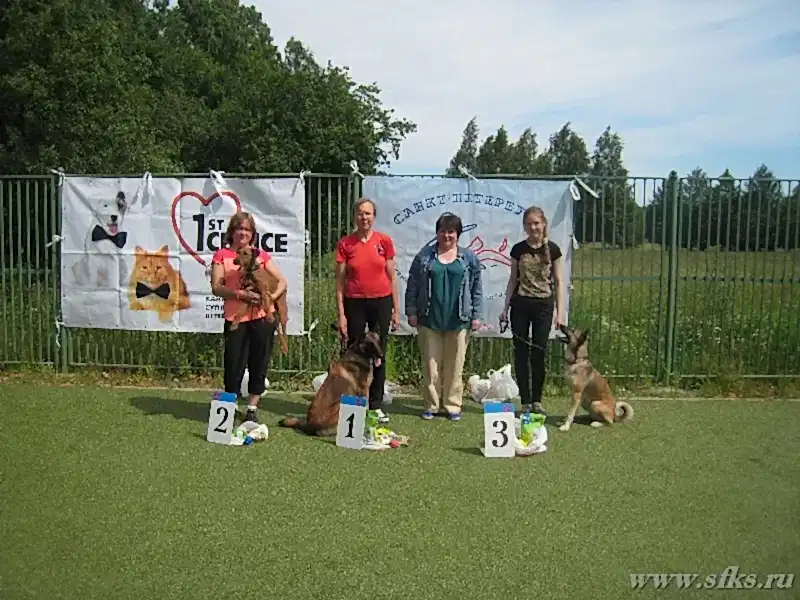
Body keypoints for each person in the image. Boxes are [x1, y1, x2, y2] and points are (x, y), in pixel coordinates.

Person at [210, 212, 287, 424]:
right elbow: (216, 287)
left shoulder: (260, 255)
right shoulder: (222, 256)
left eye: (247, 229)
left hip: (262, 317)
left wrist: (270, 298)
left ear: (252, 233)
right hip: (235, 317)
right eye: (239, 229)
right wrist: (240, 294)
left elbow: (282, 281)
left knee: (259, 362)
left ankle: (252, 408)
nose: (243, 233)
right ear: (232, 232)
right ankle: (231, 405)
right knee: (233, 363)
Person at [405, 213, 483, 421]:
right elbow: (412, 285)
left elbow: (476, 288)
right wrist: (411, 311)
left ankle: (452, 405)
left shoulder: (468, 258)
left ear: (458, 234)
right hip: (429, 319)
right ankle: (431, 405)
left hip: (459, 320)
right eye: (442, 231)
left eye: (451, 232)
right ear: (437, 233)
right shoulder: (424, 257)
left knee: (455, 366)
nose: (446, 235)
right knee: (431, 367)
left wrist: (476, 315)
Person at [334, 197, 400, 425]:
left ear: (374, 216)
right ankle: (353, 403)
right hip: (354, 302)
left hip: (381, 302)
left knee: (379, 353)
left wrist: (396, 310)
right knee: (353, 352)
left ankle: (376, 404)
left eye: (368, 213)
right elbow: (339, 283)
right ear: (355, 216)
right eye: (360, 213)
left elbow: (392, 278)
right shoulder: (345, 244)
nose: (364, 217)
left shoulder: (384, 241)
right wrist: (341, 315)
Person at [499, 205, 565, 416]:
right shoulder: (518, 249)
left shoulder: (553, 249)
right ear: (524, 227)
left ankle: (537, 400)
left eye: (536, 223)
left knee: (539, 353)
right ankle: (525, 401)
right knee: (521, 354)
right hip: (520, 304)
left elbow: (559, 281)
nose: (533, 227)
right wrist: (505, 307)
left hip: (543, 305)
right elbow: (512, 280)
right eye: (529, 224)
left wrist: (560, 313)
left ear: (543, 224)